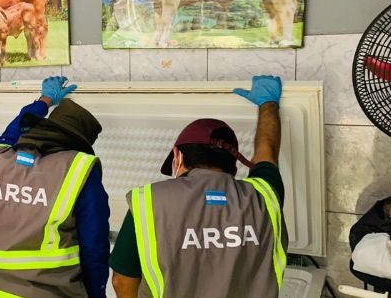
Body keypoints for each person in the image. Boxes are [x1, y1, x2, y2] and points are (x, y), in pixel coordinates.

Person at [110, 75, 287, 298]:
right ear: (233, 168)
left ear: (177, 156)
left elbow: (121, 281)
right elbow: (267, 151)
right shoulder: (264, 196)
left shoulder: (149, 202)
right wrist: (267, 104)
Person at [0, 76, 110, 298]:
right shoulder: (78, 170)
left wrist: (45, 100)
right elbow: (94, 250)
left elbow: (11, 131)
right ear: (80, 145)